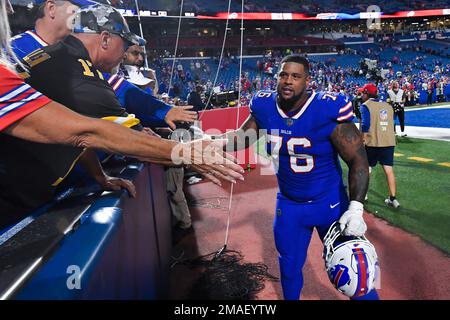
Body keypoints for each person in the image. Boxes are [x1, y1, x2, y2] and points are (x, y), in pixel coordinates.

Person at [0, 0, 244, 229]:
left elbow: (74, 134)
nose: (126, 53)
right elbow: (99, 134)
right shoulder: (81, 77)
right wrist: (188, 154)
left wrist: (100, 176)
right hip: (13, 201)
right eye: (125, 45)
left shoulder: (60, 58)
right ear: (105, 39)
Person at [218, 54, 378, 300]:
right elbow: (242, 138)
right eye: (283, 75)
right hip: (290, 205)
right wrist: (207, 143)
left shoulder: (327, 108)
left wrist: (356, 209)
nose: (288, 81)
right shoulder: (264, 106)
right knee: (289, 269)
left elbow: (358, 159)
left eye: (295, 76)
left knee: (358, 272)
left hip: (330, 204)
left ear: (307, 80)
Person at [10, 0, 195, 130]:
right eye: (77, 10)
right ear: (51, 8)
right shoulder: (13, 50)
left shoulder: (73, 52)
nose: (84, 17)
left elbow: (116, 90)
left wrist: (162, 113)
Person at [359, 83, 400, 208]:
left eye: (362, 93)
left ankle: (363, 195)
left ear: (367, 93)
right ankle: (393, 198)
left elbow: (365, 125)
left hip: (373, 142)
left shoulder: (365, 106)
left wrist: (362, 140)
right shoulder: (387, 105)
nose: (361, 95)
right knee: (389, 170)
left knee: (368, 169)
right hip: (388, 141)